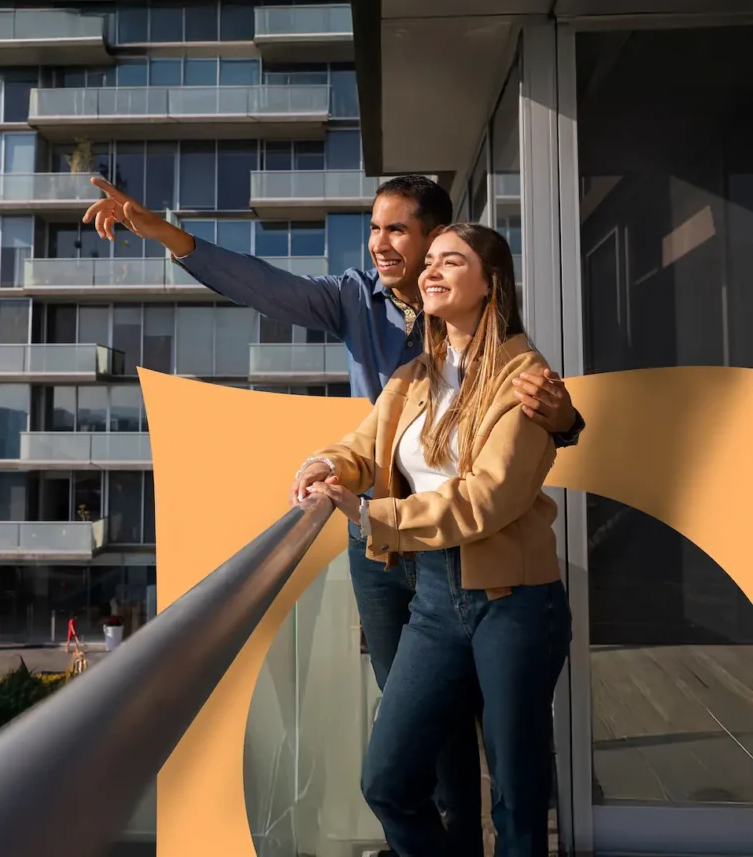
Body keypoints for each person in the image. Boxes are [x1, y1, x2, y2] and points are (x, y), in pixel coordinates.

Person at [83, 175, 583, 856]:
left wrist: (563, 420)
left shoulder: (516, 371)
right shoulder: (379, 328)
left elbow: (497, 484)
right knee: (408, 756)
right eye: (374, 229)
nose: (382, 245)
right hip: (399, 561)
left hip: (490, 576)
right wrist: (328, 467)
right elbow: (272, 299)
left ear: (452, 250)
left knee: (514, 784)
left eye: (402, 232)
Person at [292, 223, 572, 857]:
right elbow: (366, 445)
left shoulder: (526, 379)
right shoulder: (417, 374)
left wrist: (374, 516)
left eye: (453, 261)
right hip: (436, 600)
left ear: (489, 283)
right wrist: (327, 465)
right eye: (431, 262)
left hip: (516, 603)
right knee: (388, 781)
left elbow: (487, 499)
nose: (431, 271)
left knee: (518, 801)